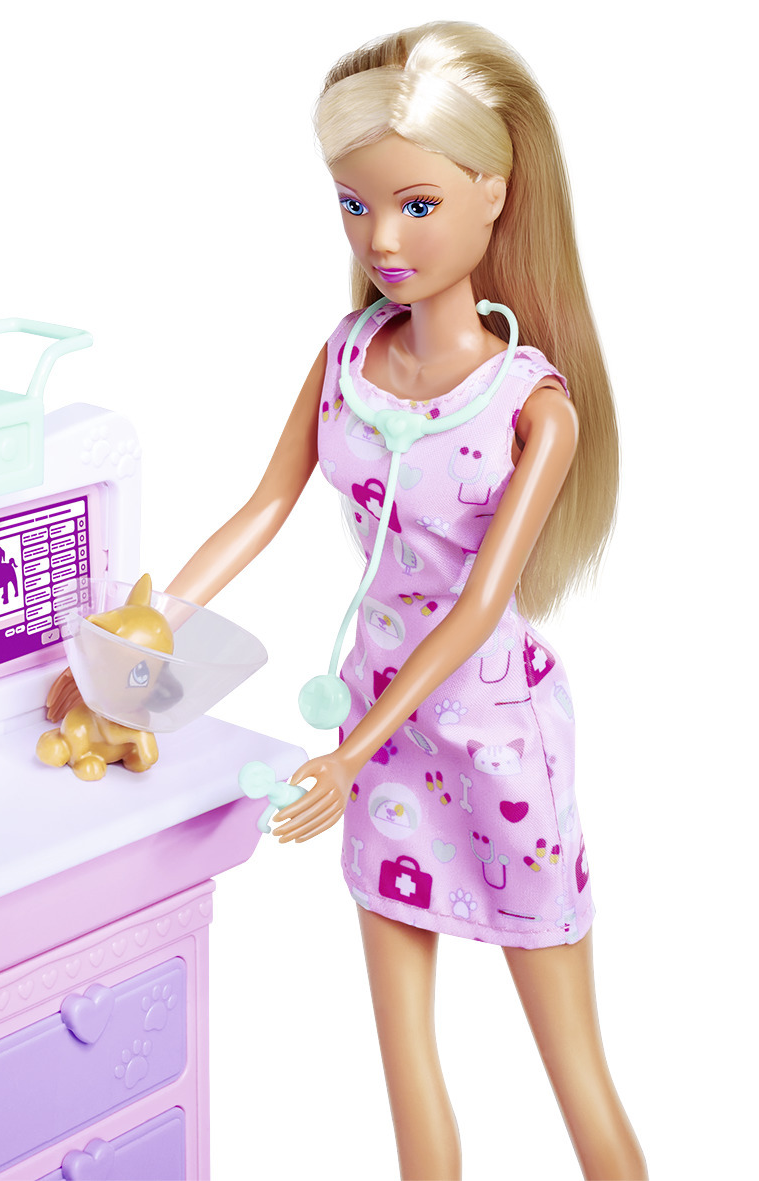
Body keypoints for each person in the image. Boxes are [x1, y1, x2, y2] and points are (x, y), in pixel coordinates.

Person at [165, 22, 647, 1181]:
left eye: (414, 204)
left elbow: (476, 609)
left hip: (491, 741)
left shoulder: (532, 409)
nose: (380, 238)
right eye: (353, 204)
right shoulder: (347, 355)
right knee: (404, 1057)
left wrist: (347, 752)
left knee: (569, 1060)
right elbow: (265, 503)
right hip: (378, 741)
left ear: (493, 193)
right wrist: (152, 617)